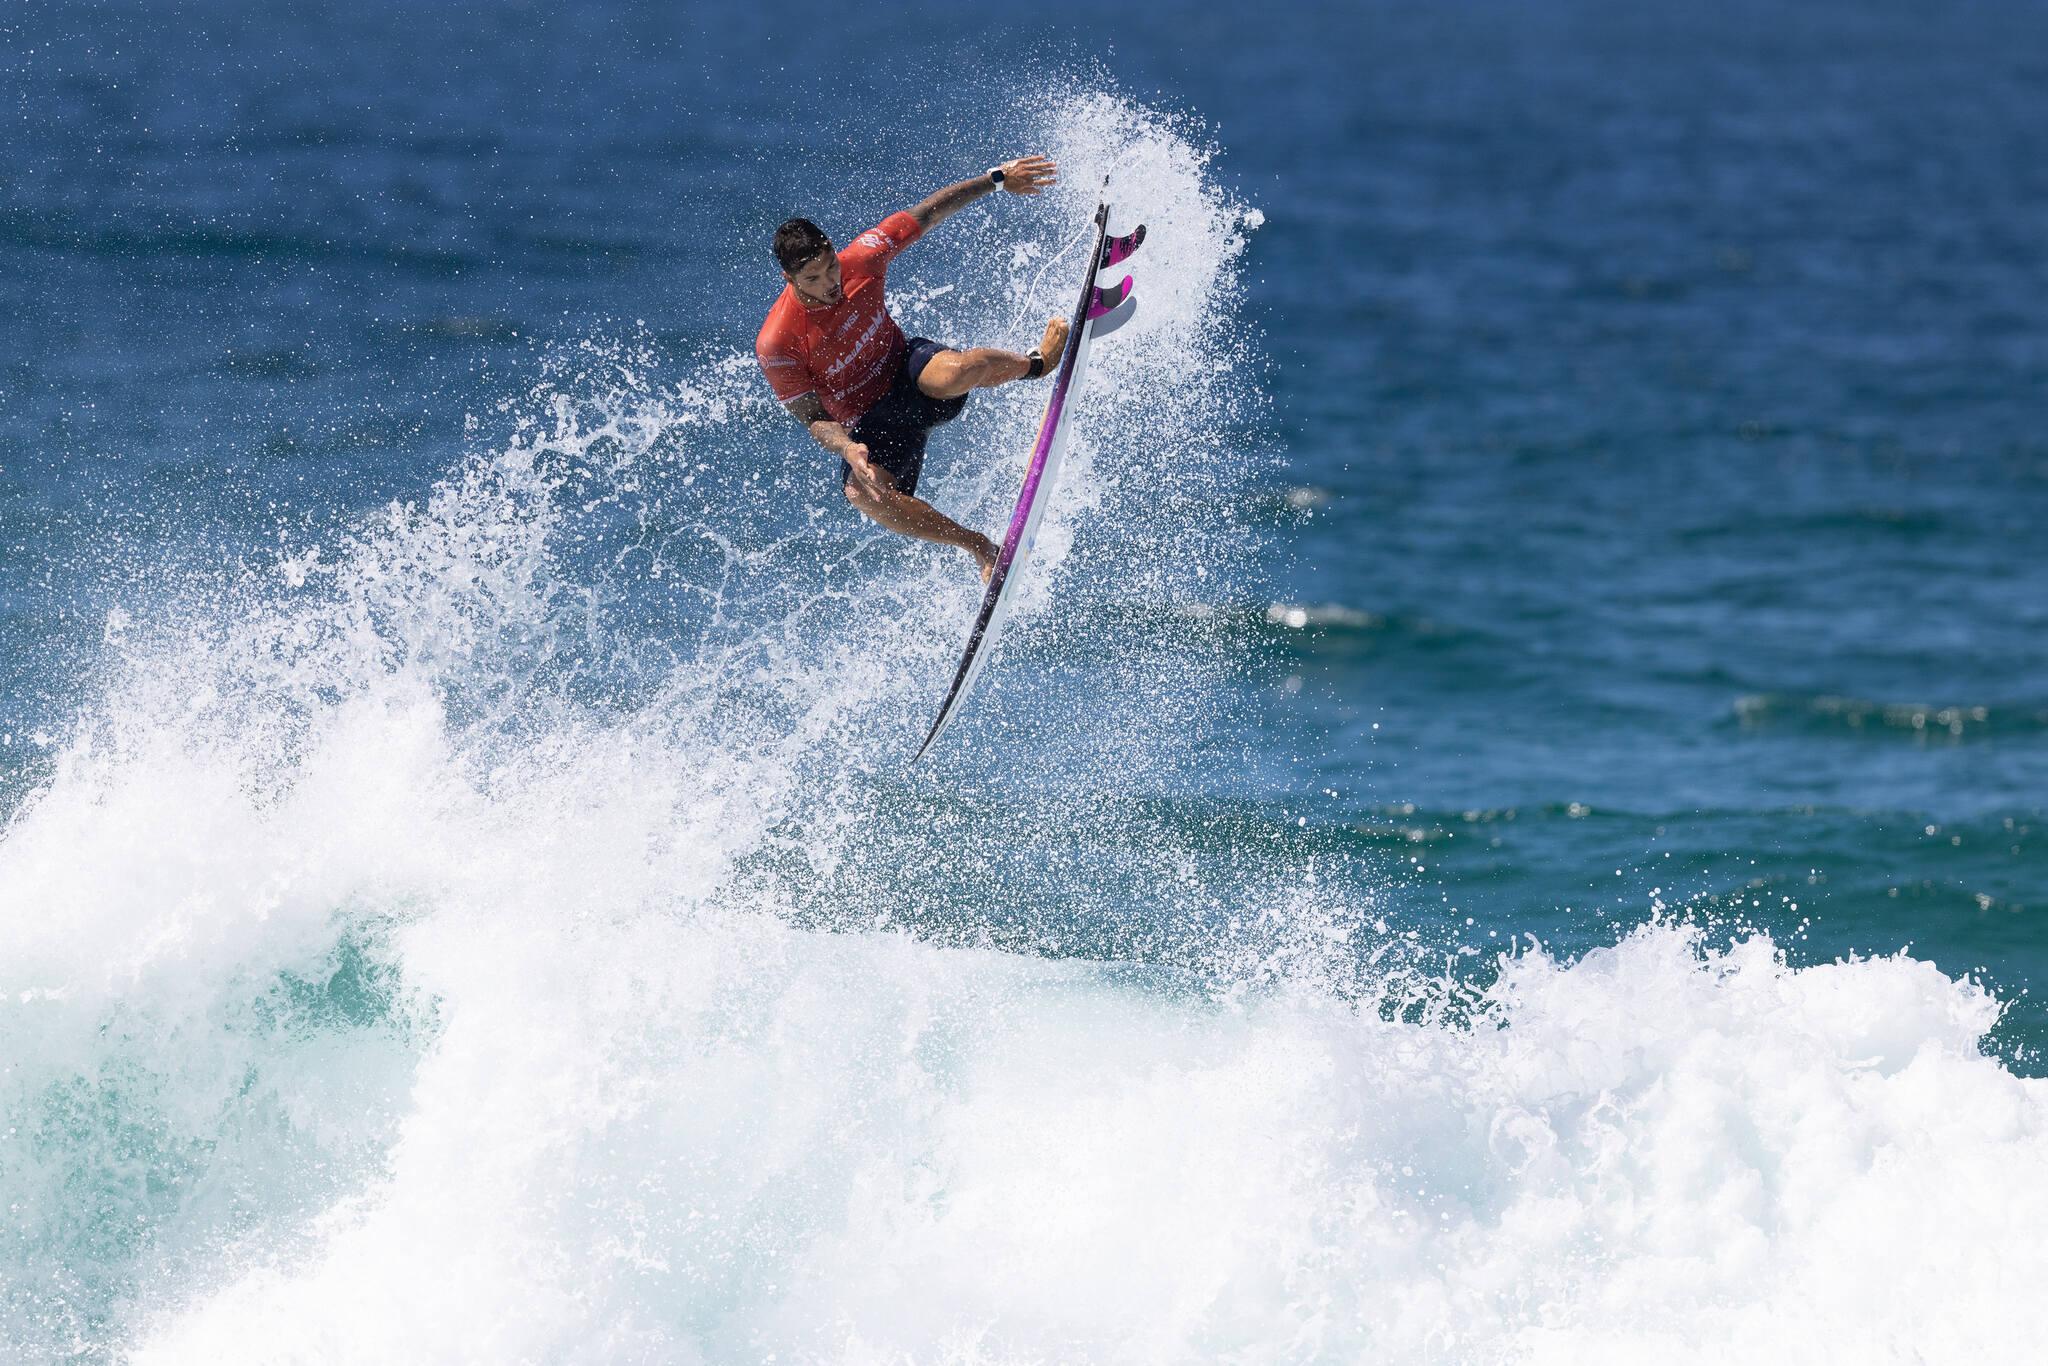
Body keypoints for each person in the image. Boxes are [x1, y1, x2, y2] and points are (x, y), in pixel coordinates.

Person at [755, 155, 1070, 581]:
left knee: (956, 372)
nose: (830, 283)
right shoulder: (778, 342)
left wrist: (997, 179)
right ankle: (978, 545)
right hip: (873, 424)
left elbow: (927, 213)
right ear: (789, 279)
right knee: (861, 493)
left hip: (910, 371)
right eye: (813, 278)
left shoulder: (862, 258)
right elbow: (813, 418)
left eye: (831, 267)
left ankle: (1036, 364)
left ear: (833, 250)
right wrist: (847, 447)